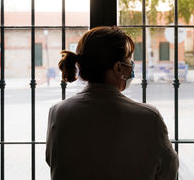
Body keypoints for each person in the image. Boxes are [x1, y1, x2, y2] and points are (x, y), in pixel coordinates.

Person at [46, 26, 179, 180]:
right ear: (118, 68)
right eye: (129, 60)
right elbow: (169, 171)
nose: (131, 66)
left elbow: (54, 161)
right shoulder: (148, 118)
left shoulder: (58, 113)